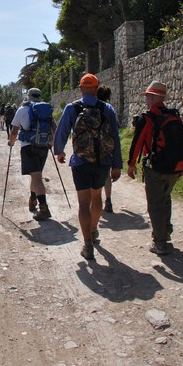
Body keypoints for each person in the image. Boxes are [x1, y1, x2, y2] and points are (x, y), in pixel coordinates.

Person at [53, 74, 122, 260]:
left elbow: (62, 133)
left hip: (81, 162)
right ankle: (93, 230)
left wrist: (59, 151)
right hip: (102, 162)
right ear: (97, 88)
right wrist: (117, 164)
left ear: (81, 89)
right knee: (96, 196)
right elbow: (115, 137)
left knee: (83, 203)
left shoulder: (72, 108)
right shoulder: (107, 108)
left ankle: (87, 244)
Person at [127, 80, 183, 256]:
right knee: (166, 198)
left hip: (155, 167)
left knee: (155, 204)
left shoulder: (147, 118)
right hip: (175, 168)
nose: (146, 100)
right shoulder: (174, 116)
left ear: (153, 97)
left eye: (147, 96)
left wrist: (131, 164)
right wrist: (181, 166)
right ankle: (165, 232)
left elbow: (137, 142)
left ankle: (160, 243)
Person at [7, 88, 55, 221]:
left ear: (28, 96)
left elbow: (14, 131)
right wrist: (51, 142)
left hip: (29, 147)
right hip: (43, 147)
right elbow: (54, 127)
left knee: (37, 177)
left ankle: (44, 208)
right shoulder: (46, 110)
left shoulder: (22, 110)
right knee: (36, 175)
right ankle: (33, 198)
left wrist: (11, 143)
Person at [97, 85, 116, 214]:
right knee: (107, 176)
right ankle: (108, 200)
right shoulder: (109, 109)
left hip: (91, 146)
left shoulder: (92, 107)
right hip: (106, 146)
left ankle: (96, 201)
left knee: (95, 174)